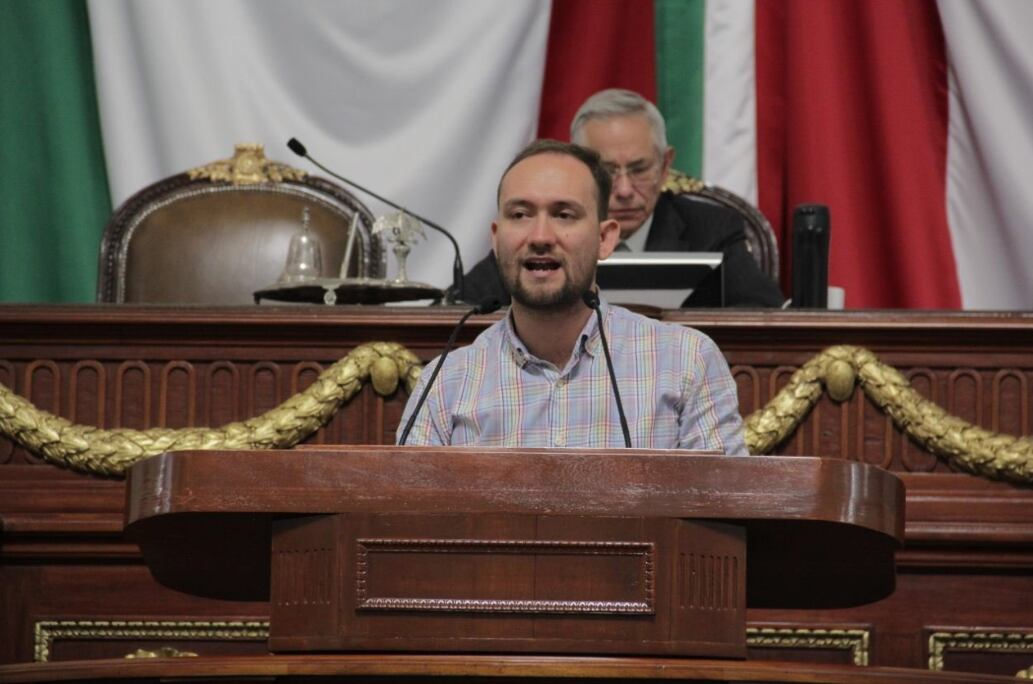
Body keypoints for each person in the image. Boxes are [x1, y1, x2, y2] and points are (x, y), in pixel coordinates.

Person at [399, 140, 747, 454]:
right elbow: (403, 519)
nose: (540, 236)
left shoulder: (687, 361)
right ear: (496, 237)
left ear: (605, 239)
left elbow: (726, 515)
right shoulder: (448, 380)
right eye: (520, 215)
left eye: (564, 215)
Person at [462, 89, 785, 308]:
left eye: (640, 169)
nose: (625, 189)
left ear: (665, 165)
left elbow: (762, 318)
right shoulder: (544, 233)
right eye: (608, 171)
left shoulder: (711, 229)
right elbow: (461, 308)